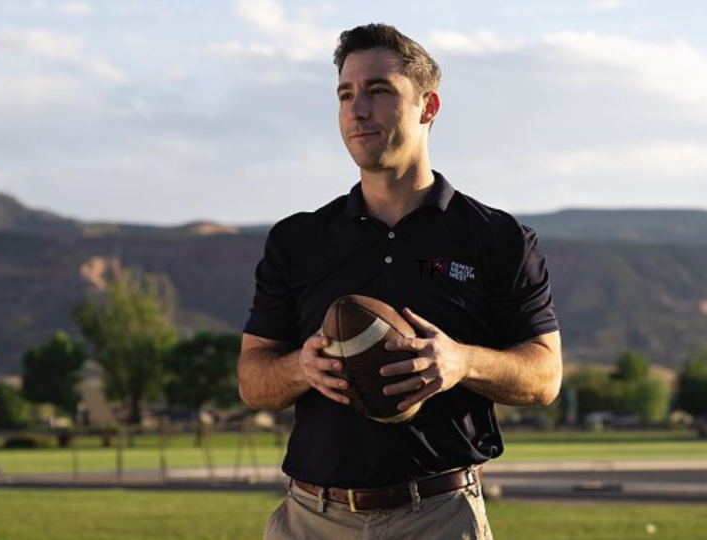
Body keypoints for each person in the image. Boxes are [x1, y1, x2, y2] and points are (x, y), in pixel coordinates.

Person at [239, 23, 562, 540]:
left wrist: (461, 361)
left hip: (436, 515)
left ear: (428, 108)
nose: (357, 109)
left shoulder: (497, 238)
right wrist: (302, 367)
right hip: (310, 518)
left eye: (378, 91)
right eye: (346, 94)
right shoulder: (297, 240)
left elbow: (545, 377)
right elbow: (253, 381)